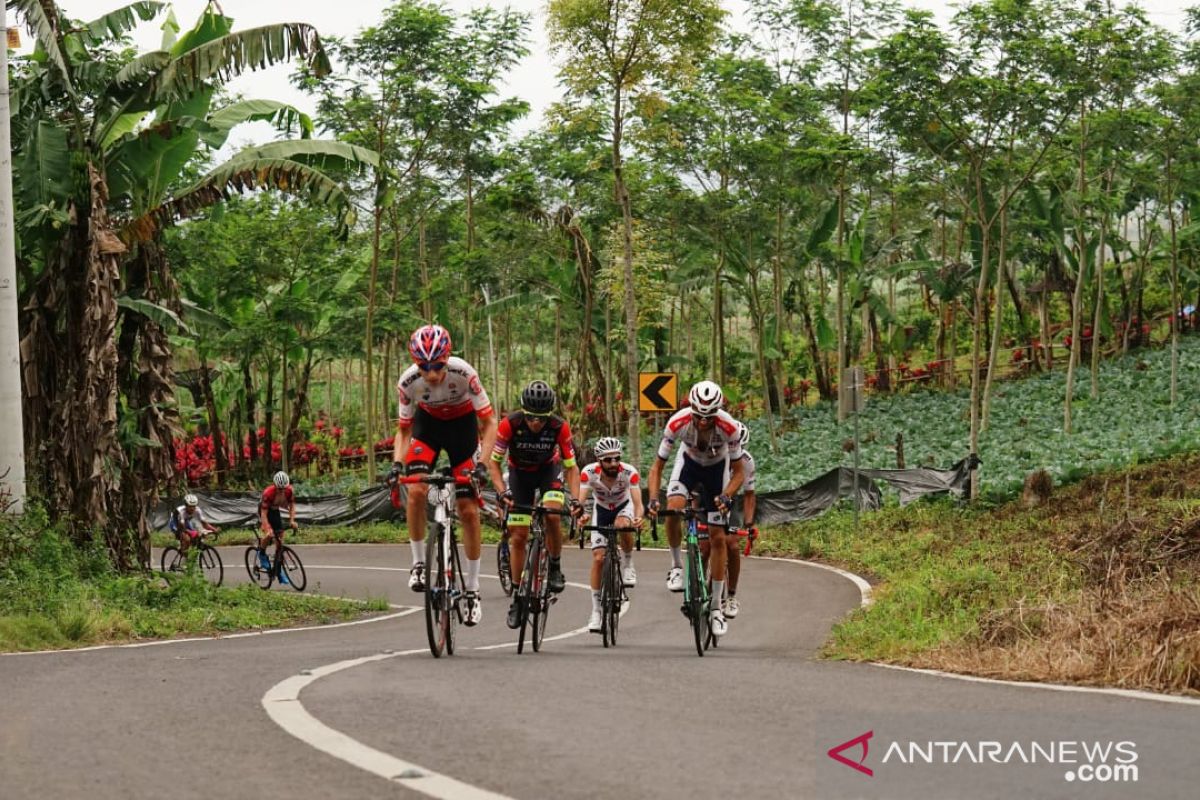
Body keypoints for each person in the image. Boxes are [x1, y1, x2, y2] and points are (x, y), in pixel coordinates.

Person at [390, 324, 497, 626]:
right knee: (416, 491)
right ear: (415, 363)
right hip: (429, 427)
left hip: (463, 429)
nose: (432, 374)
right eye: (424, 367)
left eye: (437, 366)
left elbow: (489, 423)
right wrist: (398, 464)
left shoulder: (464, 373)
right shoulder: (408, 381)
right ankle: (418, 564)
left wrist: (483, 465)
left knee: (468, 510)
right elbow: (404, 430)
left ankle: (473, 590)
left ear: (447, 359)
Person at [645, 380, 744, 638]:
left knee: (718, 537)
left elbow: (739, 472)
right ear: (692, 410)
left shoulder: (729, 427)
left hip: (716, 471)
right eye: (698, 415)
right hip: (687, 465)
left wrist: (726, 495)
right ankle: (677, 566)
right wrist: (653, 499)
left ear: (717, 412)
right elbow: (657, 467)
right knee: (674, 507)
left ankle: (715, 609)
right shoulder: (677, 422)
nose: (702, 421)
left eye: (708, 417)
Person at [488, 379, 581, 629]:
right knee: (518, 536)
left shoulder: (559, 427)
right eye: (531, 417)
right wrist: (501, 490)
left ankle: (555, 566)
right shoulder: (510, 424)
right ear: (523, 412)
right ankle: (518, 597)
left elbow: (572, 469)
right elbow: (493, 463)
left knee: (552, 514)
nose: (536, 423)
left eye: (541, 418)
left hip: (548, 472)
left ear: (549, 415)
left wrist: (575, 499)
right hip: (519, 476)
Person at [573, 436, 643, 633]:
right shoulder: (589, 473)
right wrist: (581, 515)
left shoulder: (630, 473)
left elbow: (638, 504)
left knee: (622, 525)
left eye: (616, 458)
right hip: (601, 510)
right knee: (598, 558)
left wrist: (638, 518)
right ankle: (596, 611)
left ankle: (628, 563)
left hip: (623, 507)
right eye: (608, 459)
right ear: (599, 460)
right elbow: (580, 501)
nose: (613, 463)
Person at [717, 422, 757, 619]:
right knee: (705, 545)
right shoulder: (713, 454)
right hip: (708, 497)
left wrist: (749, 525)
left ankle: (731, 595)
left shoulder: (747, 462)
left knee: (732, 545)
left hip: (729, 502)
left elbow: (749, 495)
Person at [259, 471, 297, 585]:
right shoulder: (268, 493)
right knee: (269, 534)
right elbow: (264, 514)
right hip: (265, 512)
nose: (281, 491)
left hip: (275, 511)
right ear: (275, 485)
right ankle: (261, 553)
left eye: (283, 488)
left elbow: (292, 506)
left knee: (280, 543)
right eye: (279, 489)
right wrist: (267, 528)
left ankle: (278, 572)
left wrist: (292, 520)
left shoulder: (289, 490)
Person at [168, 493, 218, 562]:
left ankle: (191, 555)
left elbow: (204, 523)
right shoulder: (181, 512)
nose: (192, 508)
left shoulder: (197, 510)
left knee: (196, 537)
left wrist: (214, 529)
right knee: (187, 539)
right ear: (186, 505)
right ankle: (186, 560)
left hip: (186, 522)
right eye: (190, 506)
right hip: (176, 523)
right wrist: (188, 534)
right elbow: (182, 527)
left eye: (194, 506)